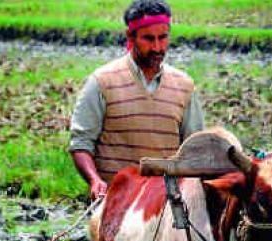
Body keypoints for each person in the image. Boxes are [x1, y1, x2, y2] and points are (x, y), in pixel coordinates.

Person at [69, 0, 204, 199]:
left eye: (163, 37)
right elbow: (81, 143)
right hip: (115, 203)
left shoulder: (184, 86)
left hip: (166, 204)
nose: (157, 47)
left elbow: (195, 148)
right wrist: (95, 180)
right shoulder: (103, 81)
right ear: (130, 37)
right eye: (148, 39)